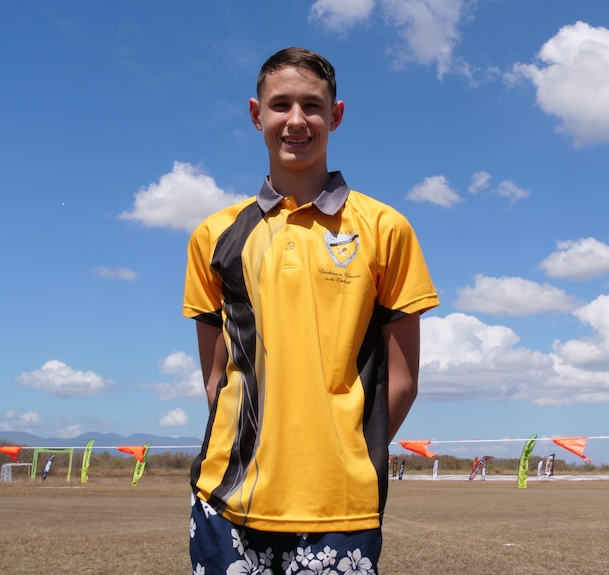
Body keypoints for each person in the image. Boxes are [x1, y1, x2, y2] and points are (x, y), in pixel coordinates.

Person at [183, 47, 439, 575]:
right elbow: (216, 377)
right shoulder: (215, 235)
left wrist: (336, 455)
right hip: (227, 498)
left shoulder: (385, 228)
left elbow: (404, 379)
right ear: (257, 114)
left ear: (336, 115)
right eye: (281, 105)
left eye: (312, 106)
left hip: (339, 506)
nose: (296, 120)